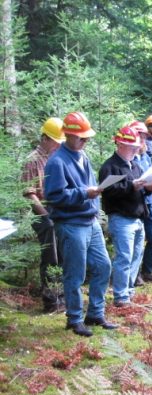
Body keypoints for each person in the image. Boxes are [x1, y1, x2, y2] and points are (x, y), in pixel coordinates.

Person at [44, 112, 116, 337]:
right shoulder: (56, 162)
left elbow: (91, 186)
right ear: (67, 134)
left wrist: (94, 196)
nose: (85, 141)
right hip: (70, 224)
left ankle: (95, 313)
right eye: (81, 137)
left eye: (87, 138)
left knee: (103, 265)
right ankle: (74, 319)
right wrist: (84, 193)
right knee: (75, 274)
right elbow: (54, 196)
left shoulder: (83, 156)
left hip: (90, 221)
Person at [99, 126, 152, 307]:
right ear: (120, 145)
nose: (135, 150)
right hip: (121, 218)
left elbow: (138, 190)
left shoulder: (135, 165)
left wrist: (147, 188)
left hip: (138, 217)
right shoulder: (110, 166)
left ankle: (129, 291)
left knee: (136, 256)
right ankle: (121, 296)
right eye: (131, 147)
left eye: (136, 147)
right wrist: (132, 186)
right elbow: (108, 192)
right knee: (124, 257)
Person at [21, 117, 66, 312]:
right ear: (46, 139)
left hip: (59, 212)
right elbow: (30, 194)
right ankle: (50, 300)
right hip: (43, 215)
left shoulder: (56, 159)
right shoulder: (33, 160)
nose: (59, 146)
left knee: (65, 255)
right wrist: (46, 215)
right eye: (57, 142)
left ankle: (64, 295)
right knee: (51, 256)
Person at [129, 120, 152, 284]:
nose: (142, 141)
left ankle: (147, 270)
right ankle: (134, 276)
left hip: (149, 203)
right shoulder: (128, 158)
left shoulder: (146, 157)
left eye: (144, 137)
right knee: (136, 242)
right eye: (139, 137)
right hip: (135, 205)